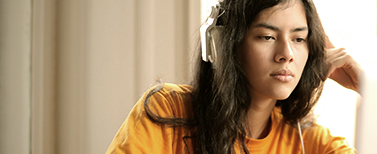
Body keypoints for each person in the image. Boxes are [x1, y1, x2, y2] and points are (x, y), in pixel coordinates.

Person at [106, 0, 362, 153]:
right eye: (267, 37)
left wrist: (366, 86)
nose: (287, 54)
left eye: (299, 39)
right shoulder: (167, 111)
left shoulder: (309, 141)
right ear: (223, 46)